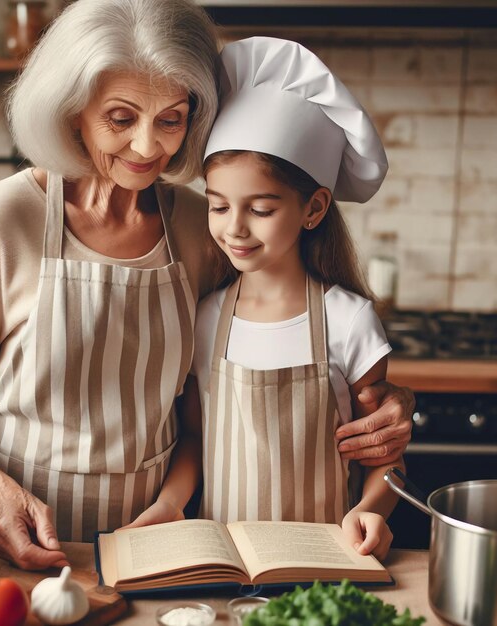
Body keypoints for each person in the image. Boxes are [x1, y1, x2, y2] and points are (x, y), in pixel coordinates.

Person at [0, 1, 411, 571]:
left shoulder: (203, 225)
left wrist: (391, 403)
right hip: (17, 529)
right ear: (72, 110)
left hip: (153, 535)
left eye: (170, 119)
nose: (149, 148)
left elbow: (268, 350)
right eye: (121, 119)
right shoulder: (8, 216)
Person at [130, 37, 405, 560]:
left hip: (325, 558)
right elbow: (194, 438)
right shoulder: (208, 317)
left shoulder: (349, 322)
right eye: (218, 206)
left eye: (260, 209)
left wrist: (371, 508)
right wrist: (170, 503)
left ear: (314, 208)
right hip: (225, 563)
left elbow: (384, 452)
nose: (234, 228)